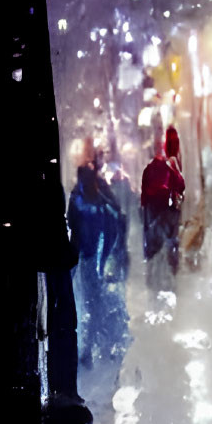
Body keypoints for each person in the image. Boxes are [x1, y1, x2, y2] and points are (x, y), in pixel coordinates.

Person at [67, 155, 133, 369]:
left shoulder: (101, 202)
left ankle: (104, 347)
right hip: (89, 260)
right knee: (92, 306)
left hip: (100, 261)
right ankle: (91, 349)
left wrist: (115, 256)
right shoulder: (82, 200)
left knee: (100, 305)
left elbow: (117, 226)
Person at [140, 126, 186, 288]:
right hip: (167, 215)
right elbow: (180, 186)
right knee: (169, 250)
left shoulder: (148, 170)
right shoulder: (169, 168)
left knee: (154, 252)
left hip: (152, 217)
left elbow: (144, 200)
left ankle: (153, 283)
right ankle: (170, 282)